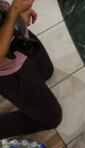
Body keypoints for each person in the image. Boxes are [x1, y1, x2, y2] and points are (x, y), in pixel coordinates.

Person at [0, 0, 62, 138]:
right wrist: (14, 11)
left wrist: (16, 15)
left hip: (20, 41)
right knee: (52, 118)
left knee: (46, 71)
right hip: (10, 73)